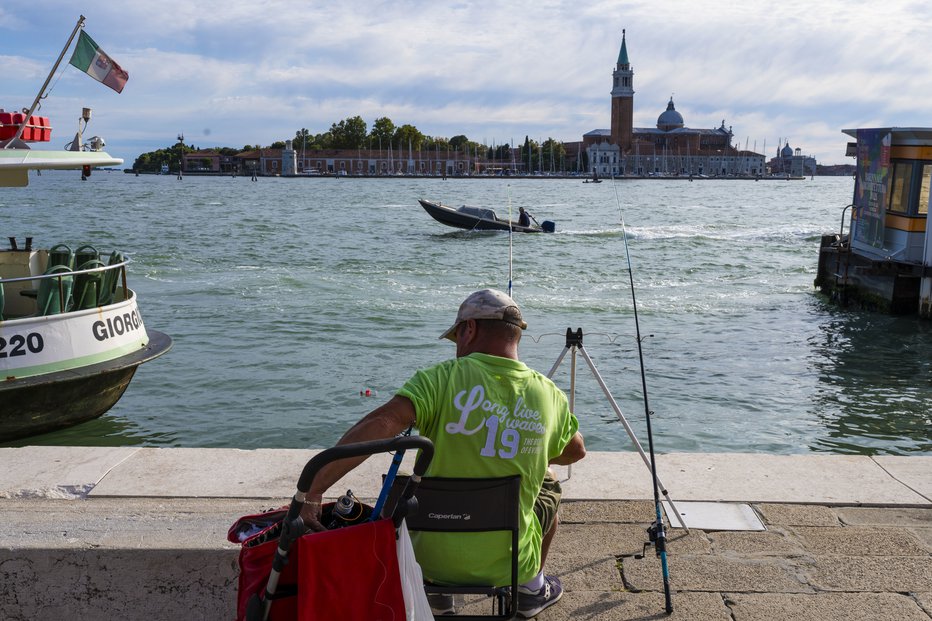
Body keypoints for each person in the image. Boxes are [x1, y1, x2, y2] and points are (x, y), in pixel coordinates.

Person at [301, 289, 586, 618]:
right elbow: (575, 452)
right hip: (508, 564)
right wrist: (529, 448)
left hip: (426, 560)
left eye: (455, 339)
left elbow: (382, 422)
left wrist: (314, 487)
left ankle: (438, 596)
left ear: (469, 329)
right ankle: (531, 589)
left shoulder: (436, 381)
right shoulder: (549, 395)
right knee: (548, 486)